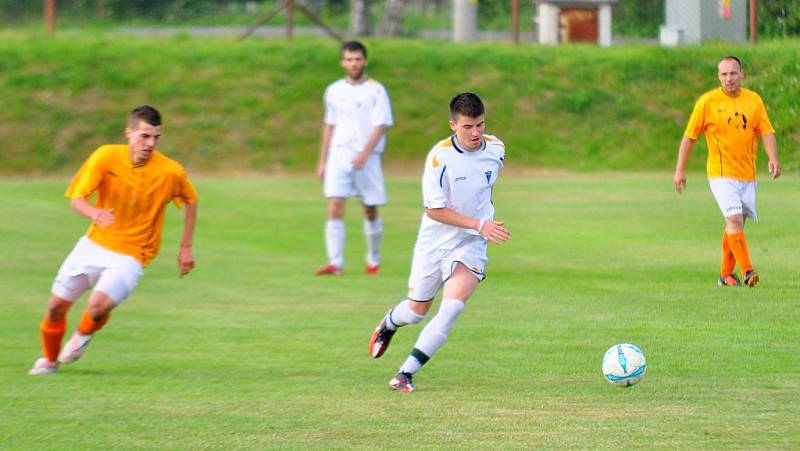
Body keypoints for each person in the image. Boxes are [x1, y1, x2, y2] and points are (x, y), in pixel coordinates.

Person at [28, 105, 198, 375]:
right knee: (56, 307)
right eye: (144, 136)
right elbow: (77, 199)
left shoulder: (170, 171)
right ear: (128, 133)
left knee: (97, 307)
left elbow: (191, 199)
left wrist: (185, 247)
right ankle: (49, 361)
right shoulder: (106, 156)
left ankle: (83, 335)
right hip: (94, 244)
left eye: (156, 137)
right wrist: (95, 212)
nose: (150, 143)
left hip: (134, 253)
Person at [368, 93, 511, 392]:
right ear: (453, 125)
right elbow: (433, 210)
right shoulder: (439, 158)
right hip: (436, 240)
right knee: (417, 311)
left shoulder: (496, 148)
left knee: (452, 307)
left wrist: (479, 226)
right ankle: (390, 323)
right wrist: (478, 223)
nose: (475, 133)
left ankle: (405, 373)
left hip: (472, 242)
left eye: (480, 125)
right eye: (468, 127)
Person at [673, 55, 780, 287]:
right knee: (733, 219)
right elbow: (690, 136)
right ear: (718, 76)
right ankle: (748, 271)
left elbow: (766, 131)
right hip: (721, 174)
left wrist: (773, 158)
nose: (729, 78)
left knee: (735, 225)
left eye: (733, 73)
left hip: (747, 174)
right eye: (724, 74)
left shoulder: (754, 101)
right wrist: (679, 170)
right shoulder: (708, 102)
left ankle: (725, 274)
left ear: (742, 74)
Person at [316, 40, 394, 276]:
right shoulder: (333, 90)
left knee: (369, 208)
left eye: (358, 59)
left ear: (365, 61)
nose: (354, 63)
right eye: (349, 59)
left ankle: (373, 258)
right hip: (338, 155)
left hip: (367, 158)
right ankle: (335, 263)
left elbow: (380, 125)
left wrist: (364, 152)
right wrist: (322, 161)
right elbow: (329, 125)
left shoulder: (376, 90)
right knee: (335, 205)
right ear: (343, 62)